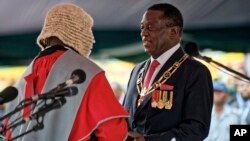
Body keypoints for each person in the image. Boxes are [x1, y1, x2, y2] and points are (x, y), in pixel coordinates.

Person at [3, 3, 128, 141]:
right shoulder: (87, 73)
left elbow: (8, 133)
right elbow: (113, 134)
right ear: (81, 35)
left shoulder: (21, 80)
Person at [123, 3, 213, 141]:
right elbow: (126, 118)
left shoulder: (195, 72)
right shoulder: (137, 70)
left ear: (174, 32)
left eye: (150, 27)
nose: (143, 33)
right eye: (142, 27)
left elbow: (196, 129)